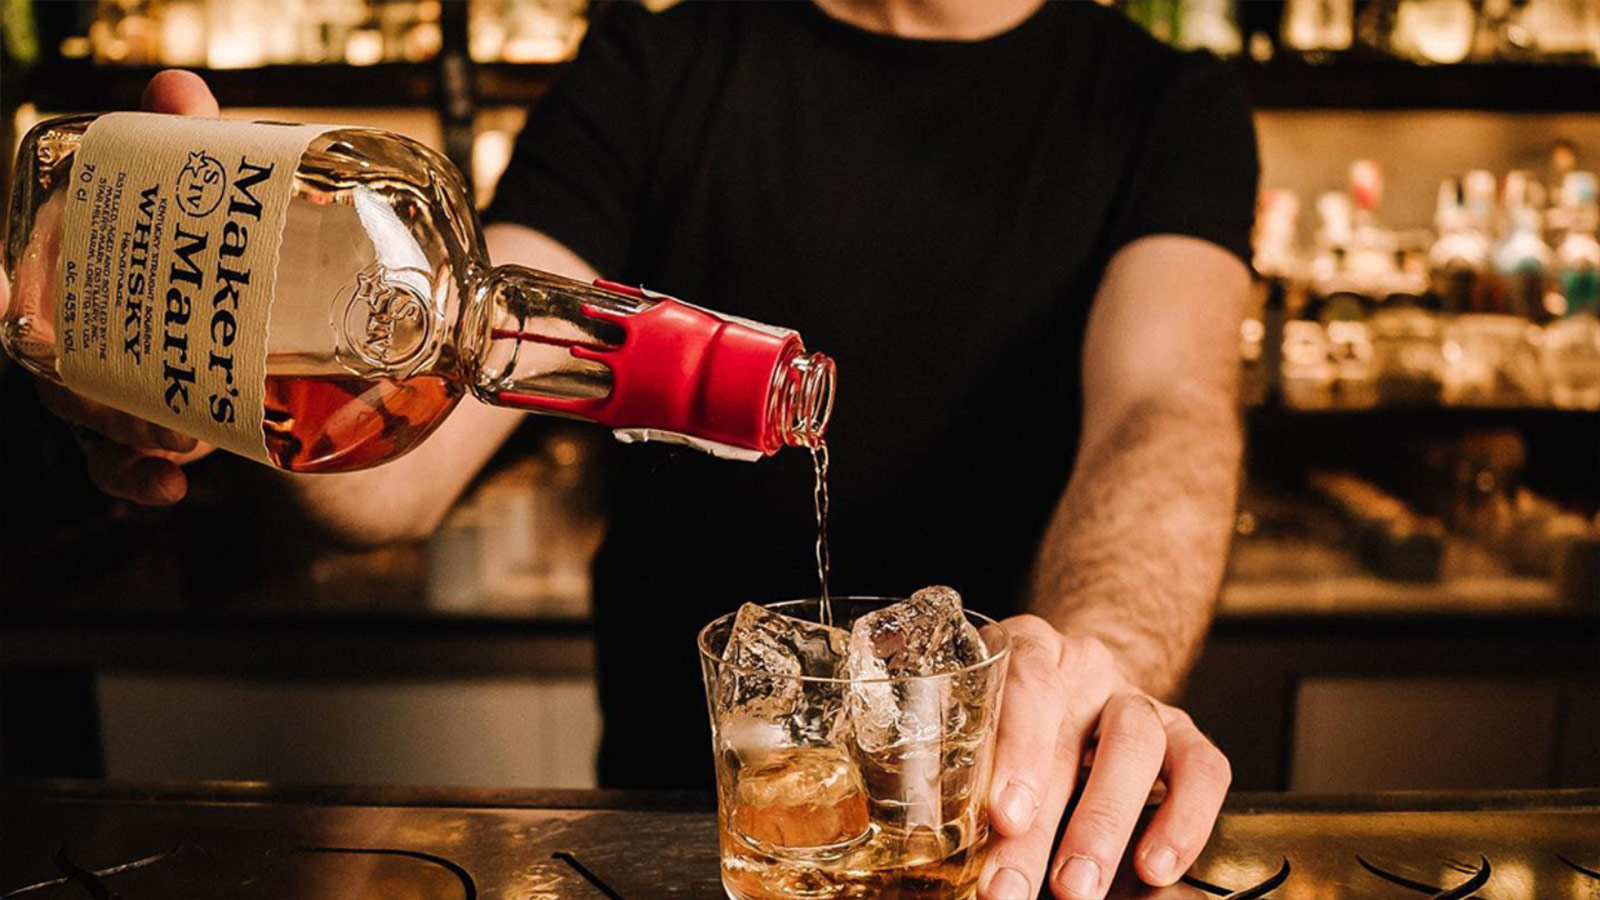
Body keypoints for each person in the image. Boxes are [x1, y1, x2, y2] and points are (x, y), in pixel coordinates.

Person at [20, 0, 1257, 897]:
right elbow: (412, 449)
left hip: (1010, 839)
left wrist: (1099, 671)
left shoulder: (1166, 101)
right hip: (669, 852)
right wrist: (217, 348)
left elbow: (1166, 406)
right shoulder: (656, 59)